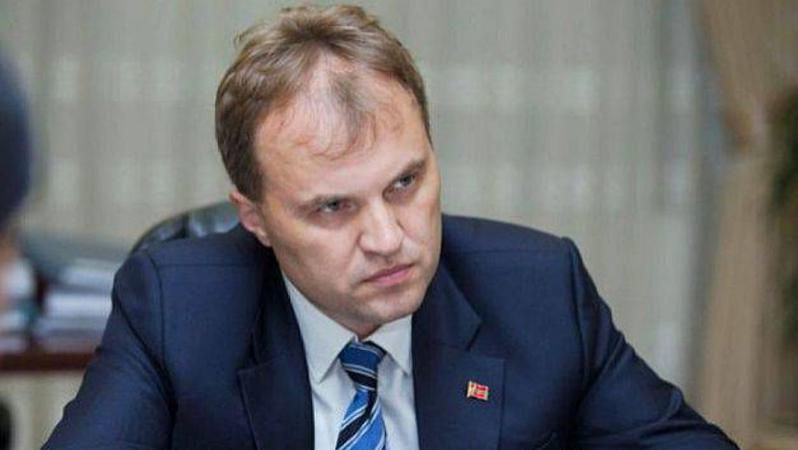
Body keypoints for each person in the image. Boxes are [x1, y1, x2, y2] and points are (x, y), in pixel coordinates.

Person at [45, 5, 737, 449]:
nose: (387, 238)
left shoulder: (539, 292)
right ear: (254, 217)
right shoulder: (176, 309)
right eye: (333, 207)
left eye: (405, 183)